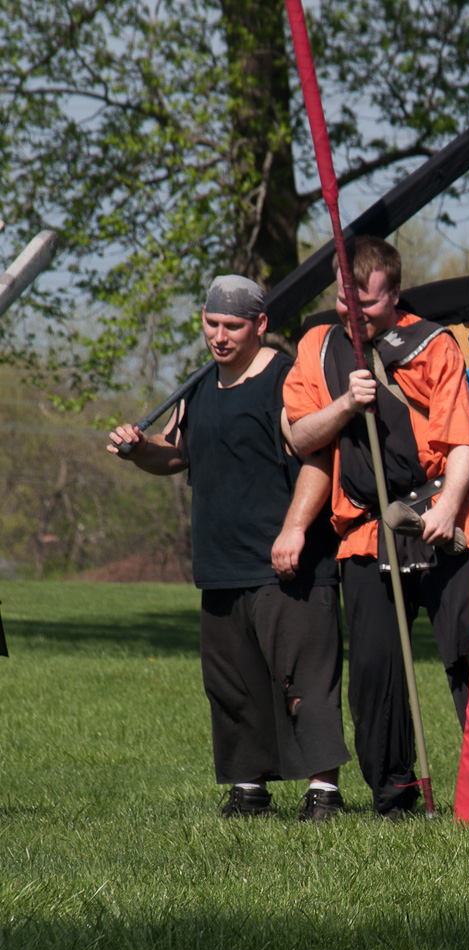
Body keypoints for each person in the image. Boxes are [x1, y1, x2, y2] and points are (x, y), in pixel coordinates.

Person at [108, 275, 350, 822]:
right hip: (220, 562)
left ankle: (323, 792)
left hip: (287, 562)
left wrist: (294, 529)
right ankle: (248, 788)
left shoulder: (286, 379)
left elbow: (318, 457)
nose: (219, 336)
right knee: (232, 683)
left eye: (232, 326)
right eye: (211, 323)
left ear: (260, 325)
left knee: (304, 679)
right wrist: (139, 449)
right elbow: (176, 454)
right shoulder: (198, 385)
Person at [282, 236, 469, 820]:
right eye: (345, 300)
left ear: (394, 294)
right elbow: (300, 436)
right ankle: (394, 795)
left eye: (366, 303)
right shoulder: (318, 347)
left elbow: (464, 440)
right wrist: (347, 404)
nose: (354, 312)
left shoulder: (434, 345)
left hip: (445, 515)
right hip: (368, 528)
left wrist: (446, 510)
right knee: (375, 671)